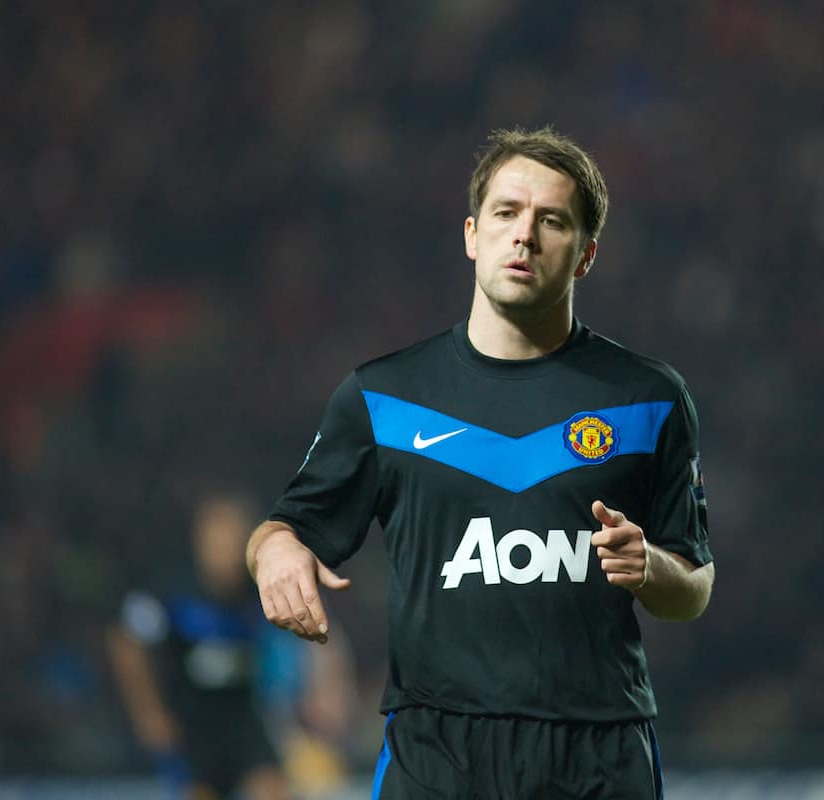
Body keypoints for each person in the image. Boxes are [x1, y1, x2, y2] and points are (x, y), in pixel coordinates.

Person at [246, 127, 715, 799]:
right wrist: (273, 553)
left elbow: (692, 586)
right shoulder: (382, 399)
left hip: (597, 752)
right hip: (439, 752)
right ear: (472, 235)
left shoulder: (648, 399)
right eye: (506, 213)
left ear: (584, 256)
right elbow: (283, 528)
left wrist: (653, 567)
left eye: (551, 221)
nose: (524, 235)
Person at [107, 495, 291, 800]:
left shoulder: (257, 586)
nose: (228, 550)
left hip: (243, 721)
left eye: (236, 539)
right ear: (201, 540)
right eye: (219, 540)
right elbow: (125, 643)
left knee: (274, 791)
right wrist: (149, 713)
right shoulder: (171, 588)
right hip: (191, 726)